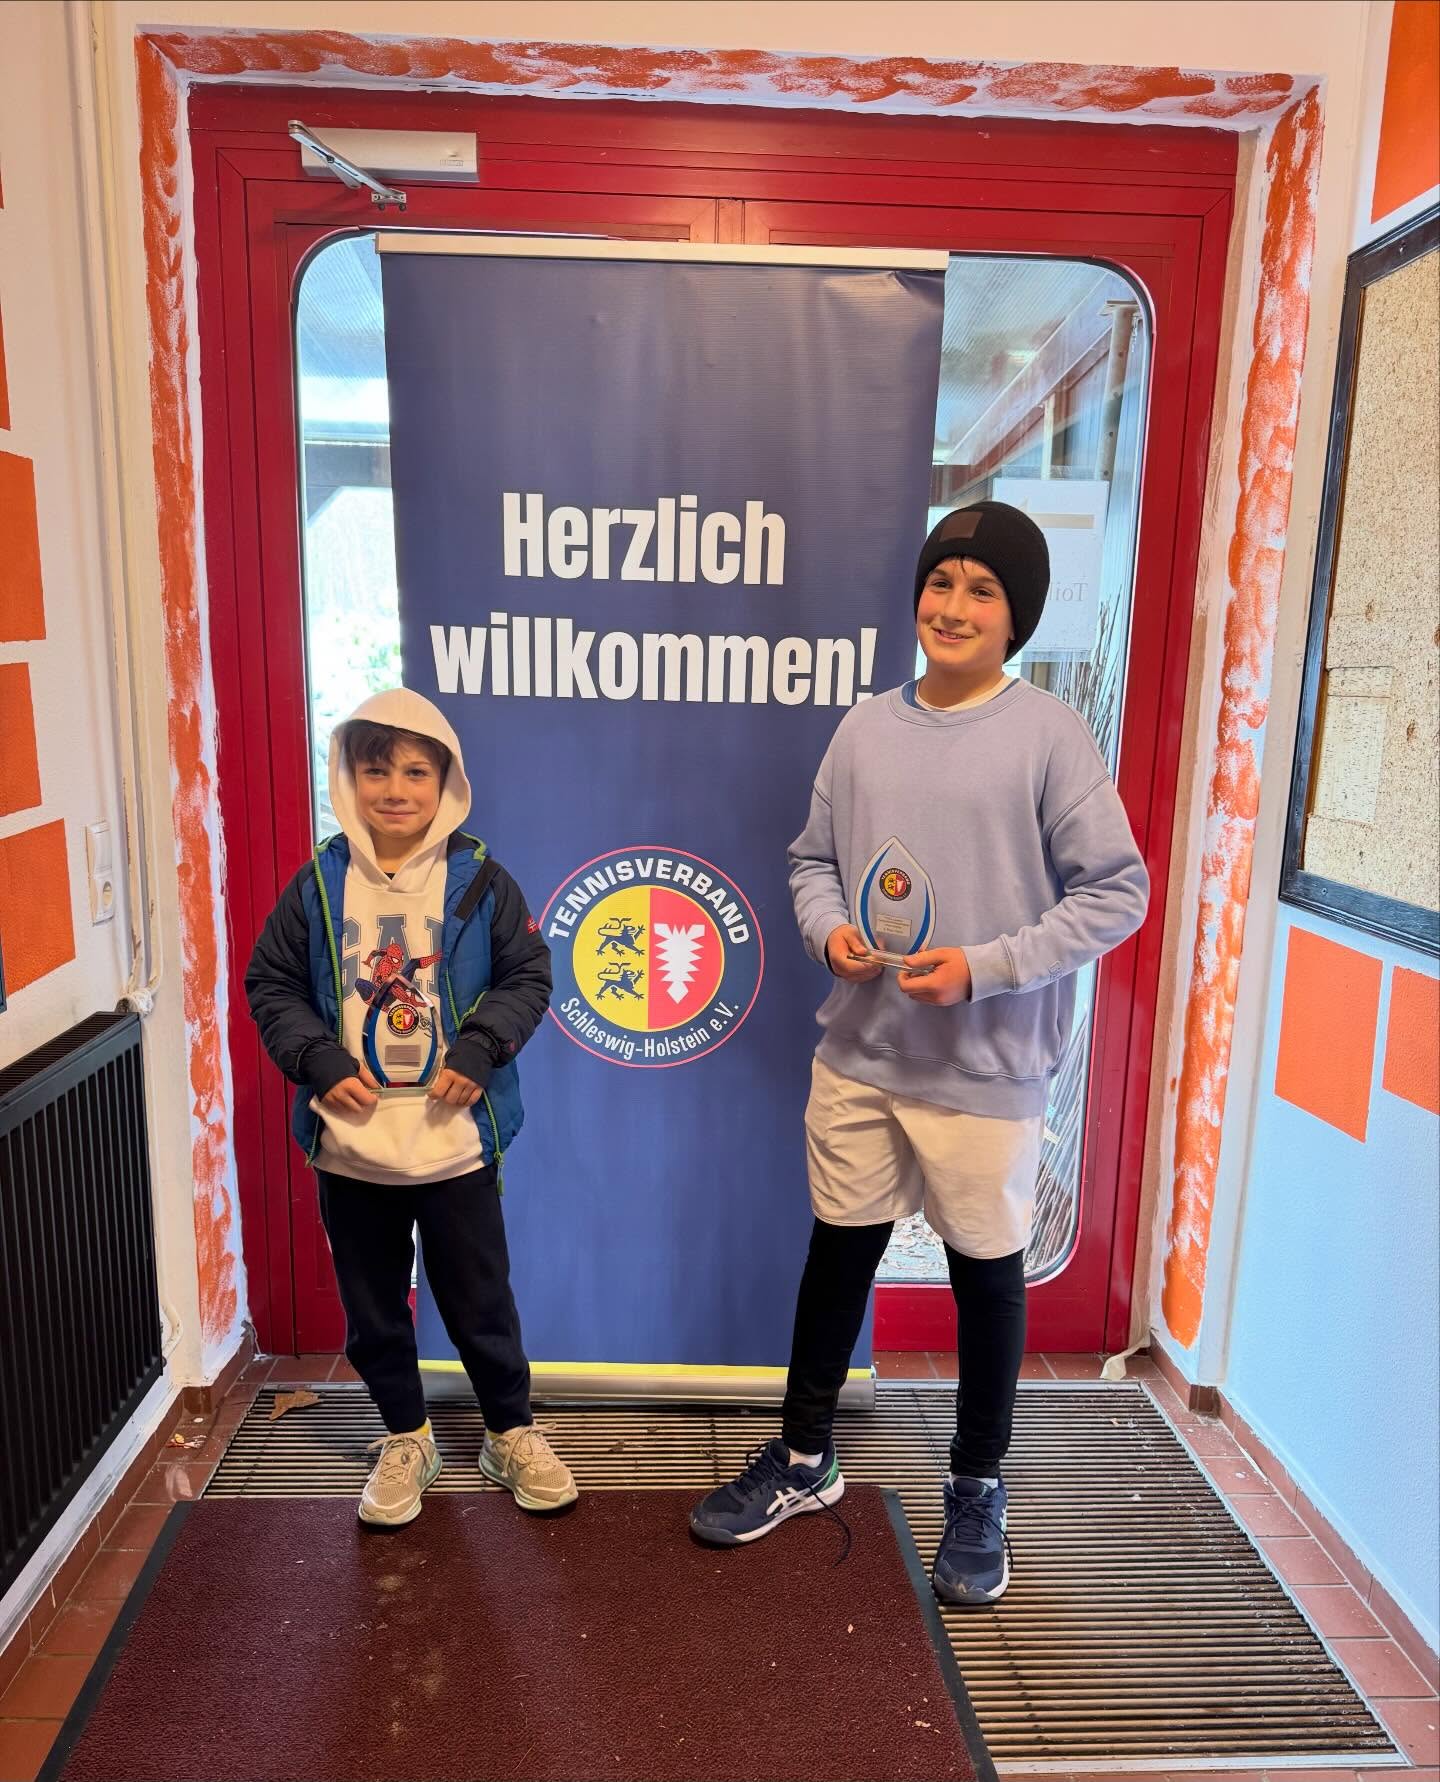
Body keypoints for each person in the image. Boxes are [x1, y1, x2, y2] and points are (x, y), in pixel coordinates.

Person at [689, 502, 1149, 1603]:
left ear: (1016, 618)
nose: (954, 606)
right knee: (837, 1255)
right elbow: (811, 862)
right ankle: (807, 1458)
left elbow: (1117, 892)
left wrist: (985, 967)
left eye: (983, 590)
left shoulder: (1049, 735)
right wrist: (827, 932)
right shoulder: (863, 729)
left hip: (986, 1071)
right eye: (942, 581)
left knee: (985, 1276)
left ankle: (978, 1485)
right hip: (860, 1055)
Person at [245, 688, 577, 1528]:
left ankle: (509, 1432)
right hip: (351, 1149)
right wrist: (316, 1059)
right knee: (373, 1310)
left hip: (453, 1145)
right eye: (376, 771)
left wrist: (481, 1047)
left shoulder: (481, 881)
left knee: (480, 1302)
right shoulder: (319, 885)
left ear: (447, 783)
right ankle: (407, 1436)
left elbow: (528, 975)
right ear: (348, 779)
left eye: (416, 772)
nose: (395, 790)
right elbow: (271, 983)